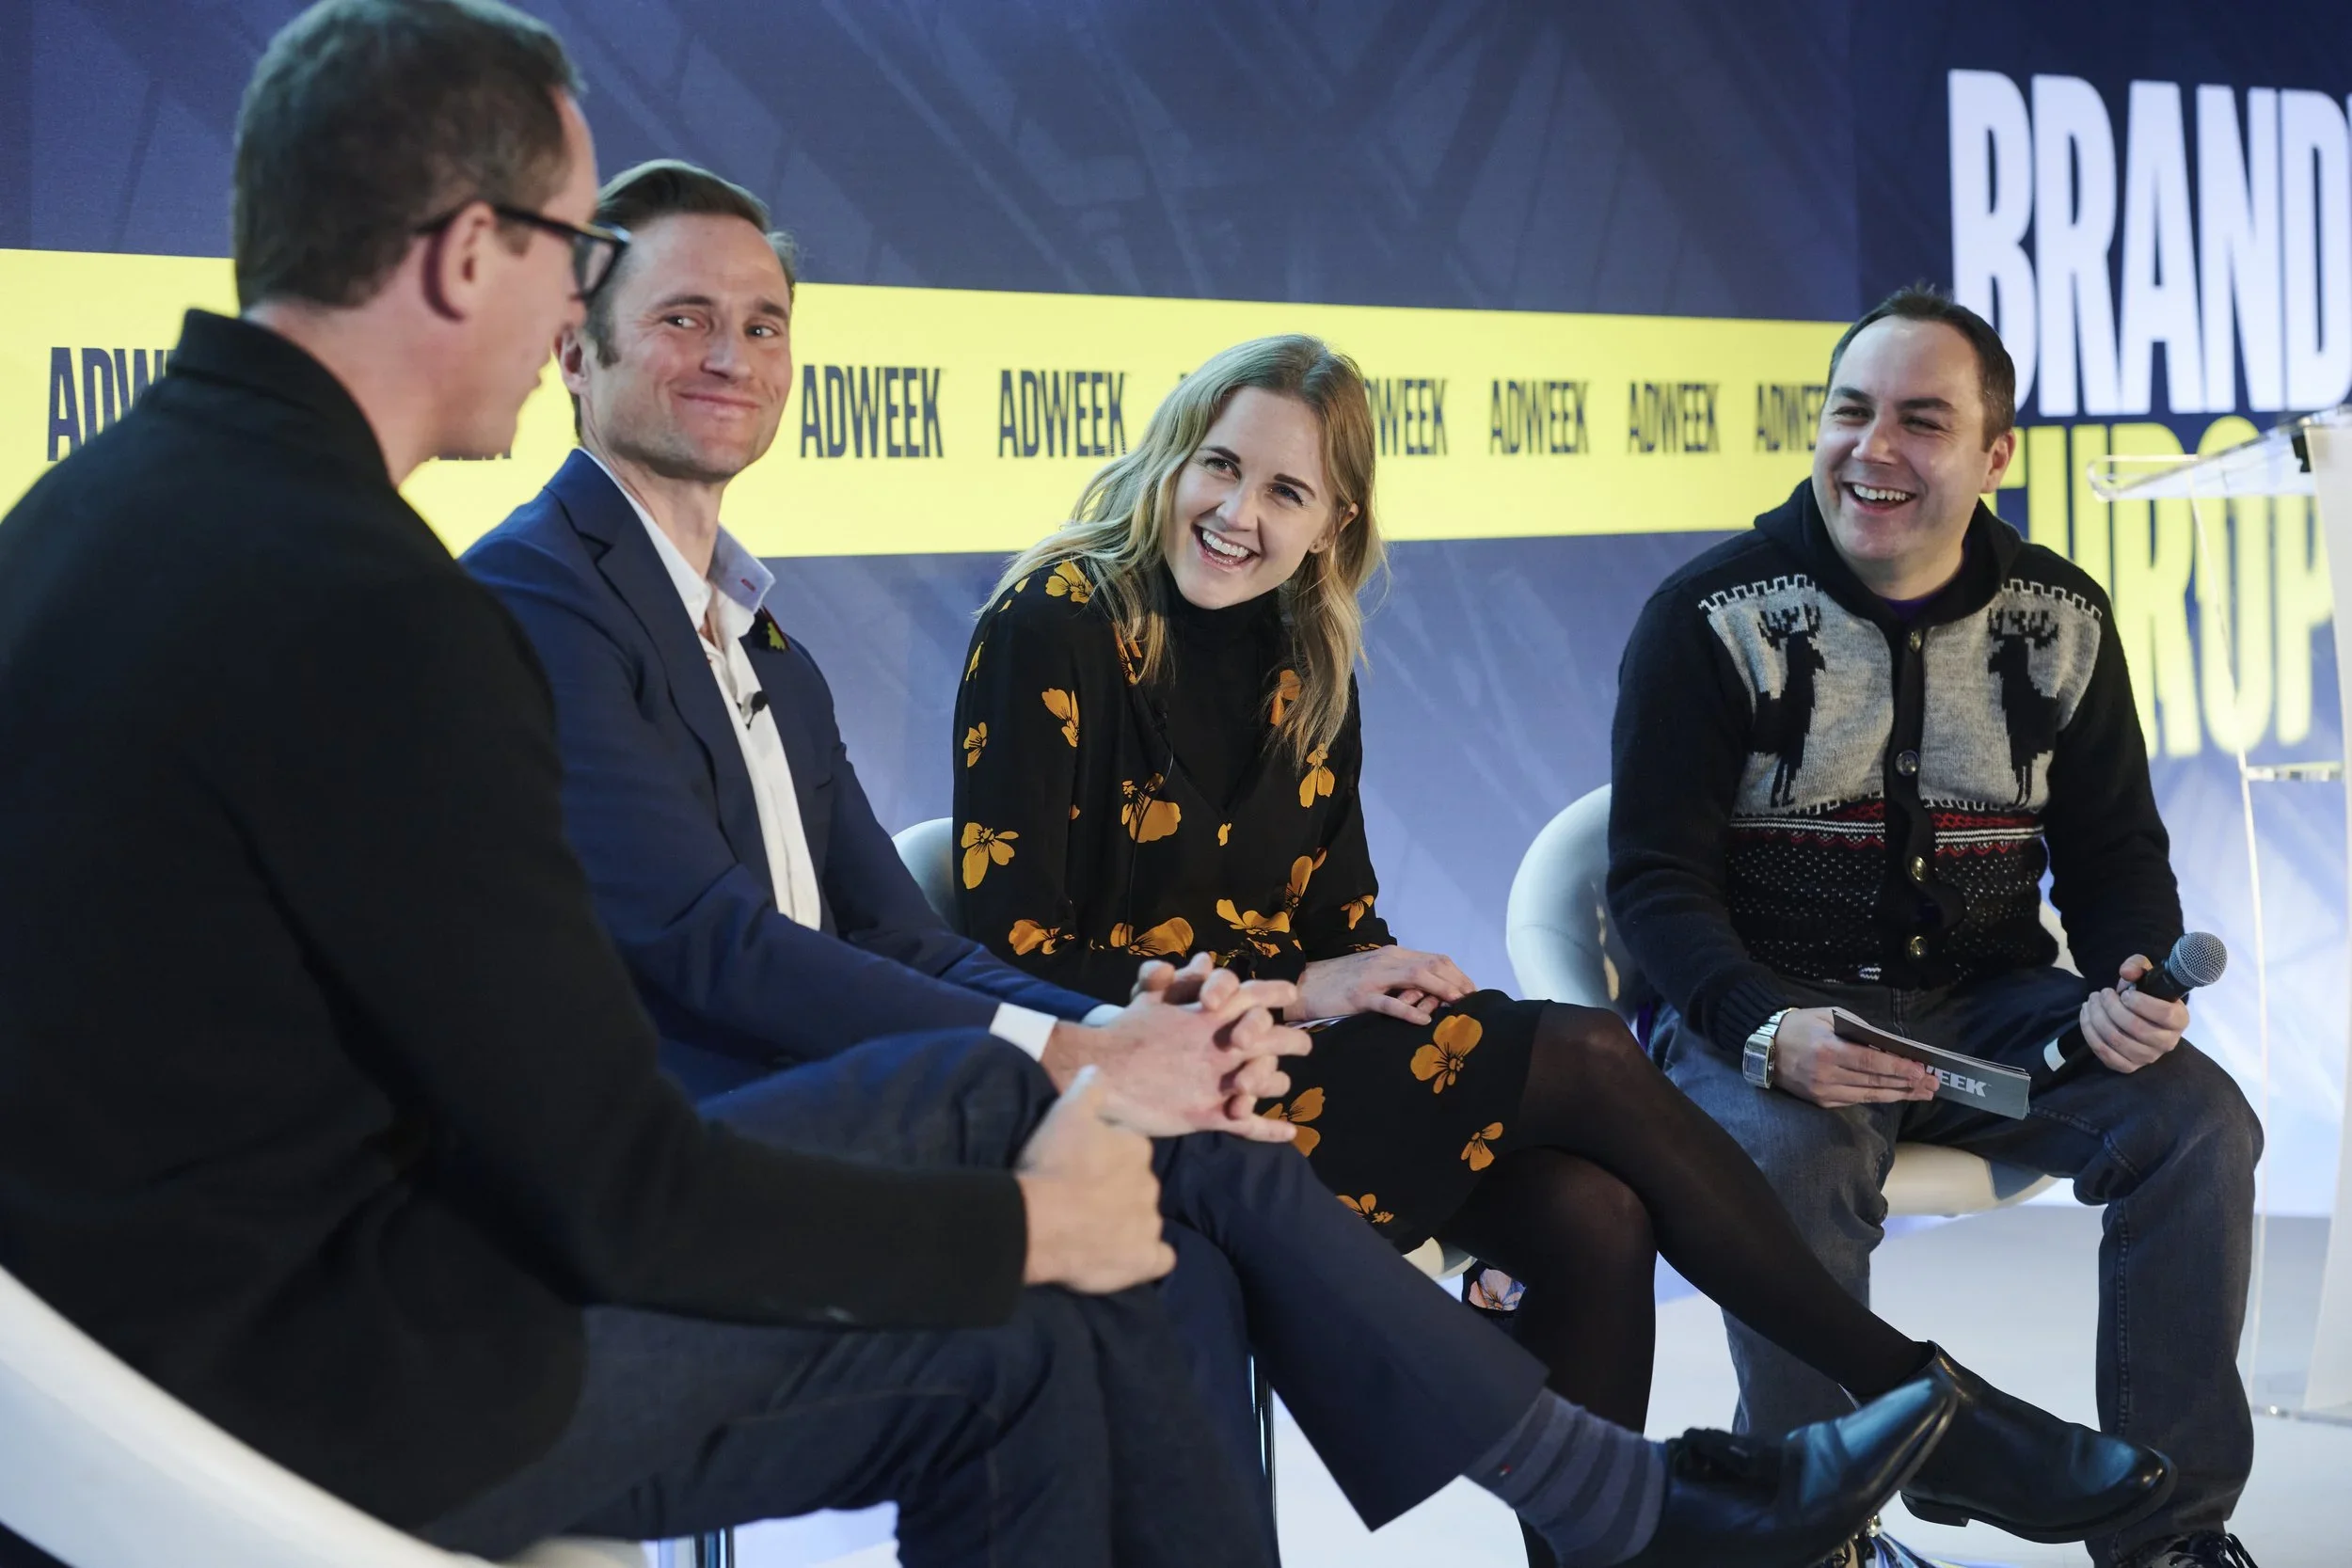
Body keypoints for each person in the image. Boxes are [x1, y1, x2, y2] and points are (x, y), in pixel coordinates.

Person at [458, 155, 1967, 1568]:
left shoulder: (762, 641)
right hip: (710, 1130)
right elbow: (717, 951)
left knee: (1336, 1207)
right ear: (572, 354)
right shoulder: (545, 594)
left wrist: (1142, 1041)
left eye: (762, 323)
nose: (731, 352)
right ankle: (1670, 1491)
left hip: (931, 1082)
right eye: (682, 319)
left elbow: (901, 940)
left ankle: (1671, 1495)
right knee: (1259, 1128)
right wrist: (1092, 1044)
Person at [0, 6, 1266, 1566]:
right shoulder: (396, 616)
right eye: (570, 258)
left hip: (98, 1347)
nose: (568, 314)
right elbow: (617, 1193)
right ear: (472, 257)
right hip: (310, 1384)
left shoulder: (73, 513)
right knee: (1030, 1328)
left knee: (999, 1100)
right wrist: (1026, 1226)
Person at [954, 330, 2178, 1568]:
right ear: (1171, 457)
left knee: (1593, 1213)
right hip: (1131, 1091)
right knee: (1590, 1053)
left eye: (1286, 491)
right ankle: (1931, 1404)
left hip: (1287, 1066)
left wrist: (1381, 971)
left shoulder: (1306, 651)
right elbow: (1014, 950)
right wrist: (1304, 983)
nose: (1236, 511)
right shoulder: (1056, 620)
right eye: (1217, 466)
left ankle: (1869, 1439)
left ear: (1333, 523)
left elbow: (1335, 921)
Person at [1608, 286, 2265, 1568]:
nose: (1877, 450)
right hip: (1765, 1009)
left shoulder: (2063, 618)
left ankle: (2169, 1531)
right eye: (1852, 412)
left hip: (1987, 1011)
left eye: (1923, 419)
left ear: (1994, 453)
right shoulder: (1706, 617)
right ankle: (1821, 1534)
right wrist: (1764, 1029)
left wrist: (2133, 974)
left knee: (2201, 1125)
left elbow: (2117, 851)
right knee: (1788, 1162)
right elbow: (1652, 888)